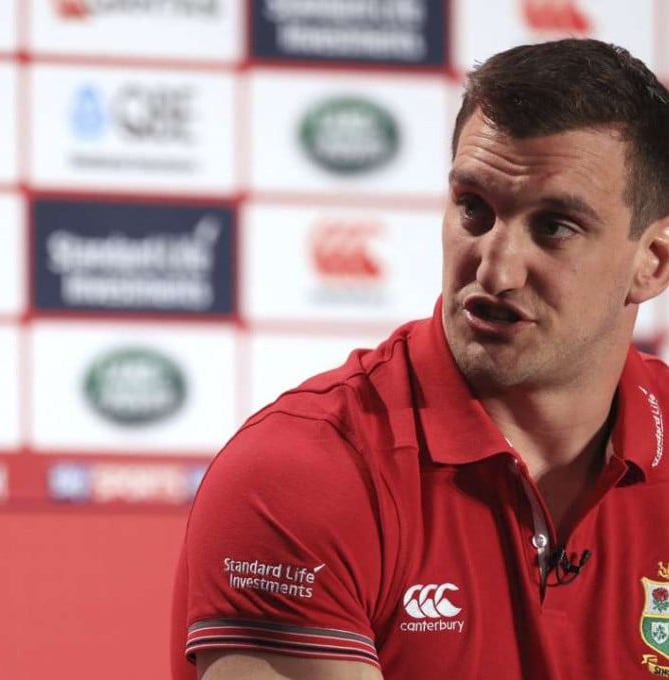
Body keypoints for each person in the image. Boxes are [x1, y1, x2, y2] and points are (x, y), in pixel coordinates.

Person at [172, 37, 669, 679]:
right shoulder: (300, 475)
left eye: (554, 227)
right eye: (474, 208)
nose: (495, 269)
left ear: (652, 262)